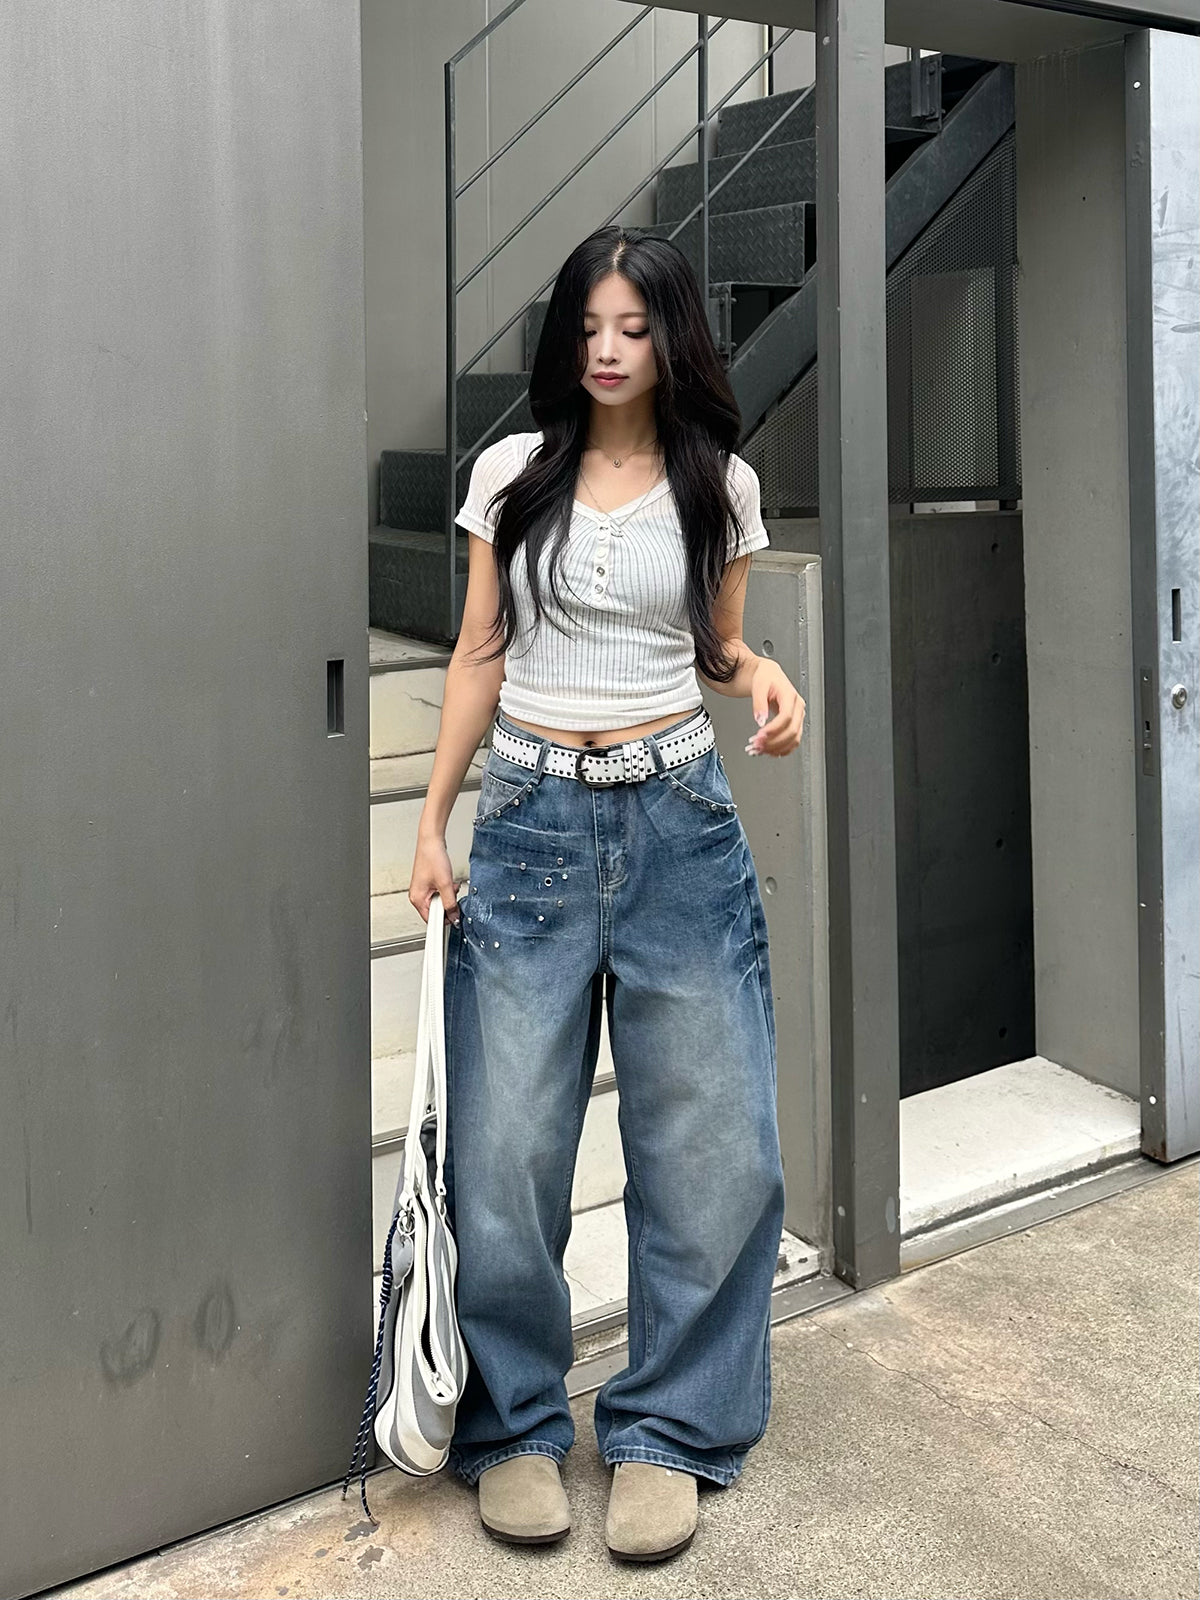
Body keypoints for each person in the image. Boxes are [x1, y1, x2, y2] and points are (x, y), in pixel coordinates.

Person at [410, 224, 805, 1564]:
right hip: (528, 822)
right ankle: (514, 1423)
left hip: (677, 823)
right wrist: (434, 821)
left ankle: (672, 1428)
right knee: (507, 1148)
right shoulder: (512, 473)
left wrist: (761, 673)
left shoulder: (721, 485)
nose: (609, 350)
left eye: (634, 327)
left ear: (673, 335)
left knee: (715, 1146)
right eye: (589, 327)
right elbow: (480, 649)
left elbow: (713, 645)